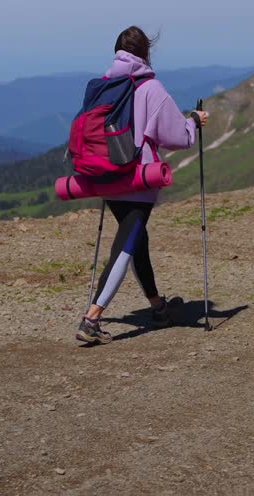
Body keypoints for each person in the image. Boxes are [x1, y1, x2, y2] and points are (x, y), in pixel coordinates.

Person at [76, 26, 209, 345]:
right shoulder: (151, 88)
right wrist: (194, 121)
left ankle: (158, 307)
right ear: (146, 52)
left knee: (137, 239)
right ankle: (92, 318)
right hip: (139, 179)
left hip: (106, 176)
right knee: (126, 244)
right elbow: (178, 137)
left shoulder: (104, 85)